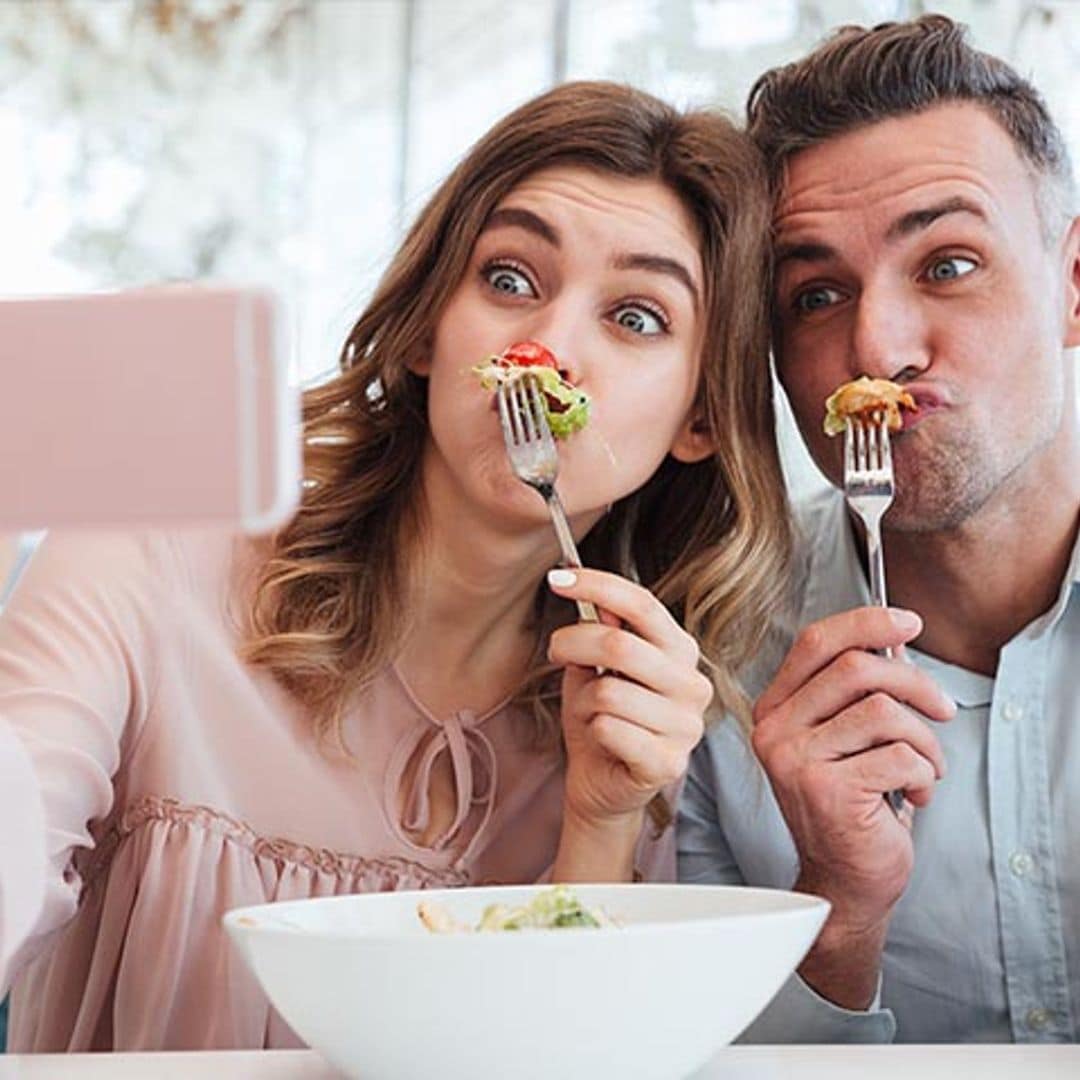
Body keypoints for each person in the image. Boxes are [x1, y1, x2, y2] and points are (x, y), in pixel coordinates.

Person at [0, 81, 791, 1051]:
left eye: (635, 318)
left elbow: (553, 1057)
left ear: (701, 418)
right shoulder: (156, 539)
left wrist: (601, 821)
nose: (546, 351)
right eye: (509, 279)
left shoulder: (635, 706)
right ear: (425, 329)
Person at [681, 13, 1080, 1043]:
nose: (876, 350)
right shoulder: (707, 668)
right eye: (815, 294)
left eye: (948, 264)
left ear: (1072, 286)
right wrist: (839, 913)